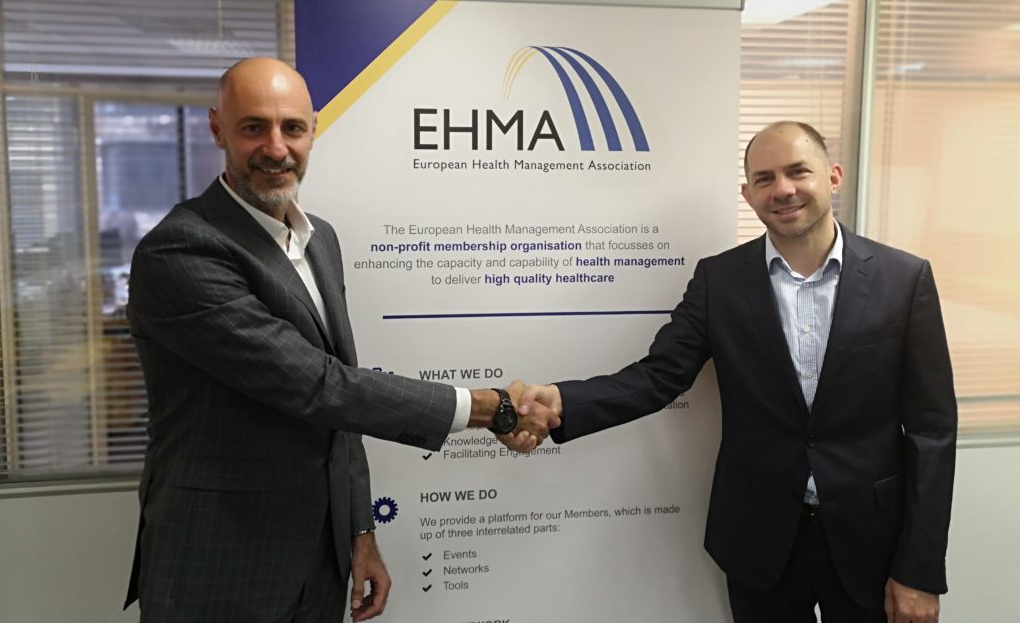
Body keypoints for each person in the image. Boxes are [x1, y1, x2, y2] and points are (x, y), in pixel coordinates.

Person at [123, 56, 557, 623]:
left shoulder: (319, 239)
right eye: (254, 127)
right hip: (220, 561)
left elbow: (339, 409)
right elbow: (319, 387)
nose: (276, 148)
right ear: (217, 129)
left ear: (314, 130)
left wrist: (359, 529)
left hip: (317, 559)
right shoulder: (181, 250)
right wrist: (491, 407)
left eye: (292, 128)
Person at [511, 121, 956, 623]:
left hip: (872, 542)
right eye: (765, 179)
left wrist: (919, 569)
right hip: (758, 540)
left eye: (798, 172)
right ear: (748, 194)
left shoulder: (904, 279)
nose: (782, 189)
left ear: (833, 176)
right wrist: (562, 401)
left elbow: (932, 431)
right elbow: (658, 377)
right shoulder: (718, 280)